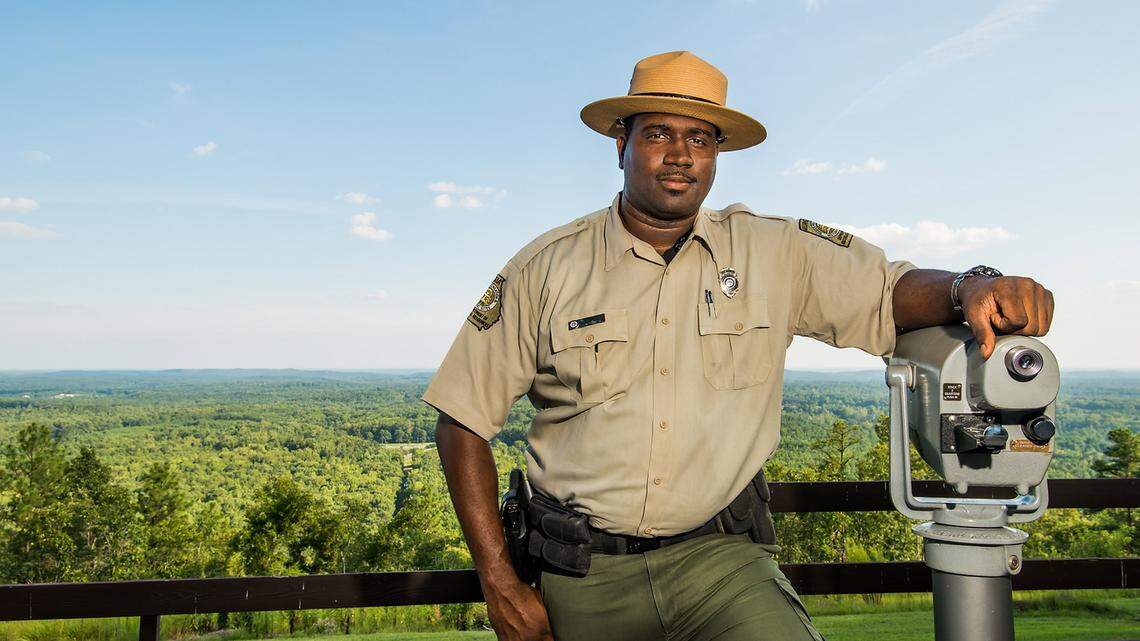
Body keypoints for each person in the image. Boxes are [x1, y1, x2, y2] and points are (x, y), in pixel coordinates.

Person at [422, 51, 1054, 641]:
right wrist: (498, 580)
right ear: (621, 146)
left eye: (699, 138)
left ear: (717, 155)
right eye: (659, 134)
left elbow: (888, 291)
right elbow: (462, 419)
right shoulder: (546, 268)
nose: (679, 155)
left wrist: (974, 285)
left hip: (720, 563)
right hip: (584, 574)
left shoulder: (773, 251)